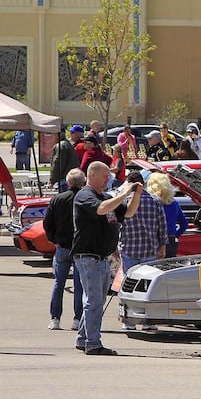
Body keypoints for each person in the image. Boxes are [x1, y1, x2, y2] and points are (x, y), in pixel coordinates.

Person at [72, 161, 142, 355]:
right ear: (92, 175)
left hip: (102, 257)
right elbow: (101, 209)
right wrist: (125, 192)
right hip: (88, 256)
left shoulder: (105, 196)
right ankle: (93, 343)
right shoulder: (85, 196)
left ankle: (83, 338)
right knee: (93, 300)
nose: (107, 180)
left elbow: (128, 213)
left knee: (97, 299)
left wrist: (136, 194)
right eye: (104, 177)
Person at [118, 171, 167, 331]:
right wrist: (163, 245)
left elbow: (117, 226)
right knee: (148, 288)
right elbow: (162, 225)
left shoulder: (123, 201)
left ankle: (129, 321)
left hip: (129, 249)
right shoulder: (155, 201)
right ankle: (149, 322)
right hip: (149, 249)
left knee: (128, 286)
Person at [43, 168, 85, 332]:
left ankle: (55, 318)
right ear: (83, 182)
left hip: (62, 246)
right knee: (79, 285)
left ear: (68, 182)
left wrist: (54, 240)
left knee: (58, 283)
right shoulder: (85, 199)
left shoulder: (58, 199)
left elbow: (47, 224)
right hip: (80, 247)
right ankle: (77, 319)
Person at [146, 172, 187, 259]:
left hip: (154, 241)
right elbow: (184, 224)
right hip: (171, 241)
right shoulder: (173, 203)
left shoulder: (151, 203)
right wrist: (174, 235)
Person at [50, 126, 81, 192]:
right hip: (70, 177)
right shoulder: (67, 144)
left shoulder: (61, 145)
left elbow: (57, 163)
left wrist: (52, 181)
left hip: (64, 180)